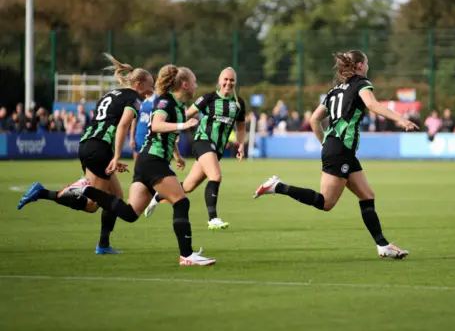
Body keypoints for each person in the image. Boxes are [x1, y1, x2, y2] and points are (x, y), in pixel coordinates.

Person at [253, 50, 418, 259]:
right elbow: (372, 105)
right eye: (366, 63)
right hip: (340, 150)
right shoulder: (361, 83)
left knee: (367, 195)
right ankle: (278, 186)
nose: (367, 67)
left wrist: (326, 143)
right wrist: (400, 120)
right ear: (359, 65)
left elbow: (314, 119)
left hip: (340, 150)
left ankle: (383, 246)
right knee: (326, 203)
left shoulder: (334, 91)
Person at [56, 65, 215, 266]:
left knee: (130, 214)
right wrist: (183, 126)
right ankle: (187, 255)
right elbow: (157, 125)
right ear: (184, 84)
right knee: (181, 202)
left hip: (146, 161)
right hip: (153, 160)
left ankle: (86, 190)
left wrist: (176, 154)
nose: (196, 85)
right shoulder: (166, 102)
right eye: (194, 82)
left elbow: (165, 133)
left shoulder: (174, 104)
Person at [17, 54, 154, 255]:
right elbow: (123, 124)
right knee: (91, 205)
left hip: (89, 144)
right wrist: (116, 156)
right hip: (99, 148)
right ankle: (49, 192)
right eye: (150, 85)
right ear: (140, 84)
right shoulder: (133, 99)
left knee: (115, 196)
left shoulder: (111, 94)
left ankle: (103, 245)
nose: (151, 90)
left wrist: (111, 157)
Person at [144, 67, 246, 231]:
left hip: (216, 150)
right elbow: (185, 115)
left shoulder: (238, 103)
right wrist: (176, 130)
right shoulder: (208, 98)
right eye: (225, 79)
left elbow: (241, 127)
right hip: (202, 142)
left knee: (189, 186)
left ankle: (159, 195)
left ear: (235, 82)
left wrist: (241, 144)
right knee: (216, 176)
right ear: (220, 81)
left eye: (232, 80)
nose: (228, 82)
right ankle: (212, 219)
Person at [131, 93, 157, 161]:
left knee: (151, 161)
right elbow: (134, 119)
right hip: (139, 134)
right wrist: (132, 138)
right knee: (137, 161)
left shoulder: (157, 99)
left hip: (152, 135)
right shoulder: (138, 100)